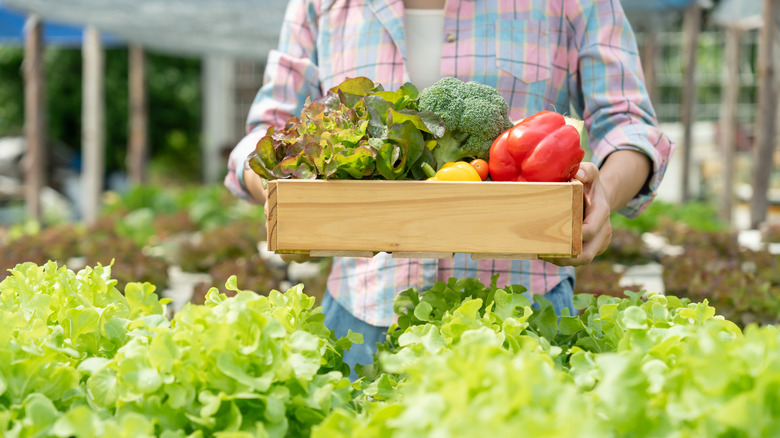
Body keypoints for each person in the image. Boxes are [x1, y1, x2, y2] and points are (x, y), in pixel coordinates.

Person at [225, 0, 675, 376]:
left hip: (523, 316)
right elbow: (265, 132)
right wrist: (281, 196)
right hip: (360, 314)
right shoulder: (320, 3)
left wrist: (605, 196)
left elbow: (630, 125)